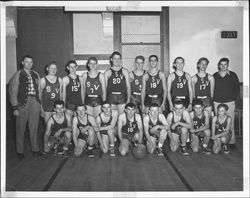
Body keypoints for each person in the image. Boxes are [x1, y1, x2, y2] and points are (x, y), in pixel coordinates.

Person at [9, 55, 42, 159]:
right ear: (22, 63)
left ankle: (35, 148)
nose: (29, 64)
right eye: (27, 62)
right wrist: (15, 108)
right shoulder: (18, 75)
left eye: (31, 62)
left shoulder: (36, 74)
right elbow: (12, 92)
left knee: (34, 127)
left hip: (35, 103)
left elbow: (40, 90)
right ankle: (20, 151)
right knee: (20, 128)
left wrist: (39, 103)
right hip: (22, 103)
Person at [213, 58, 240, 149]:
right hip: (217, 102)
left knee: (230, 122)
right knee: (218, 123)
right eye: (222, 64)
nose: (223, 66)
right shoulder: (214, 76)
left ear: (228, 65)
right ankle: (218, 142)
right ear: (219, 65)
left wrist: (234, 100)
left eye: (225, 64)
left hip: (229, 102)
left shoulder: (233, 75)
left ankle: (232, 142)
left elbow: (237, 89)